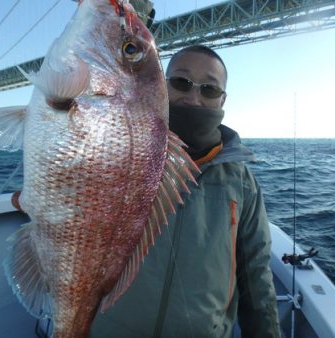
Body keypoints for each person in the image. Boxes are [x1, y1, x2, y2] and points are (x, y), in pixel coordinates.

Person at [90, 45, 281, 337]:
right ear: (162, 86)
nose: (194, 99)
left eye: (210, 90)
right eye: (181, 83)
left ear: (222, 100)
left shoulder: (242, 183)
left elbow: (256, 278)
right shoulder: (119, 155)